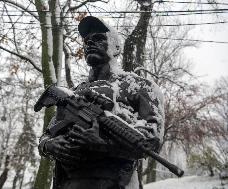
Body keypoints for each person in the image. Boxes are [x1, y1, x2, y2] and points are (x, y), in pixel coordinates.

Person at [38, 16, 165, 189]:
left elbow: (151, 140)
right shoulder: (74, 94)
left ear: (116, 47)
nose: (90, 43)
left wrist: (104, 145)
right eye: (87, 41)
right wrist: (50, 145)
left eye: (98, 38)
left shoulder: (140, 86)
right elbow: (47, 134)